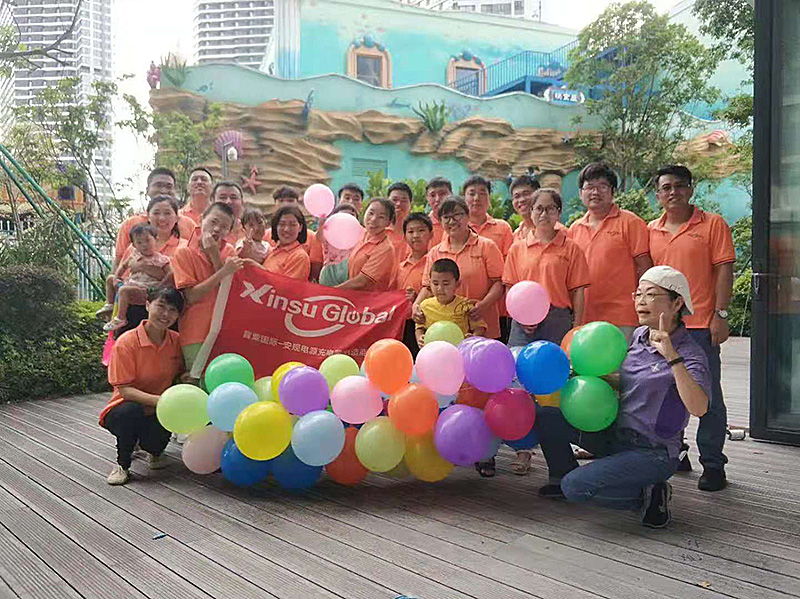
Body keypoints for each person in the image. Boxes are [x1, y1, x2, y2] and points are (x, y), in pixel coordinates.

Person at [534, 266, 710, 528]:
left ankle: (650, 492)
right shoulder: (639, 336)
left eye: (651, 295)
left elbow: (699, 408)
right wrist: (584, 376)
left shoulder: (690, 354)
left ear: (677, 303)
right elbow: (629, 381)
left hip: (652, 452)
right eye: (638, 294)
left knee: (576, 488)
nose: (641, 301)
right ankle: (564, 475)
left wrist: (672, 357)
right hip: (615, 435)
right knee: (547, 416)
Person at [648, 165, 735, 491]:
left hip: (700, 327)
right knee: (667, 392)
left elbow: (724, 270)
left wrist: (720, 314)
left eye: (680, 185)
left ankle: (713, 464)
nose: (673, 192)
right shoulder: (650, 230)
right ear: (658, 194)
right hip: (665, 328)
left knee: (707, 396)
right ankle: (678, 451)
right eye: (666, 187)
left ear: (691, 189)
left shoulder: (712, 224)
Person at [100, 287, 187, 486]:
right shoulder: (127, 342)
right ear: (147, 305)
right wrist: (162, 401)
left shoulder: (177, 341)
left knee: (155, 445)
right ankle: (122, 464)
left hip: (159, 411)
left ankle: (153, 450)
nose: (165, 314)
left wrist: (186, 378)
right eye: (161, 306)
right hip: (125, 407)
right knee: (130, 412)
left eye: (172, 310)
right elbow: (125, 390)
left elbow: (179, 373)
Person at [569, 163, 652, 342]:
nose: (595, 192)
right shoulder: (575, 229)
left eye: (602, 186)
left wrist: (645, 307)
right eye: (589, 187)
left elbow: (645, 268)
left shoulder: (631, 222)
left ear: (613, 191)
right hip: (585, 318)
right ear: (581, 193)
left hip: (623, 317)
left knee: (624, 360)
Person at [503, 188, 590, 347]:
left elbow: (578, 291)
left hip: (557, 319)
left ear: (559, 213)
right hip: (523, 322)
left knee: (556, 361)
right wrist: (520, 317)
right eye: (539, 209)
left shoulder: (571, 248)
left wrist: (577, 327)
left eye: (550, 209)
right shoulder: (517, 249)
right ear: (531, 212)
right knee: (518, 360)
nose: (544, 214)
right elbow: (510, 288)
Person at [414, 198, 504, 341]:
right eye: (446, 217)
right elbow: (427, 286)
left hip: (481, 325)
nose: (452, 221)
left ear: (468, 216)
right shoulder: (435, 252)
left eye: (457, 215)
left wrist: (483, 306)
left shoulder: (487, 246)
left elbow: (499, 283)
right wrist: (416, 305)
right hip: (445, 332)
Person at [171, 202, 244, 370]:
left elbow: (229, 290)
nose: (217, 229)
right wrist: (223, 271)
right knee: (198, 378)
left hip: (225, 330)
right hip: (195, 331)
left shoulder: (229, 251)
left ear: (229, 231)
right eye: (213, 222)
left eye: (224, 227)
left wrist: (214, 255)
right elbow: (191, 296)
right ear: (202, 219)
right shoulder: (184, 252)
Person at [98, 195, 187, 327]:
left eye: (167, 213)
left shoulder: (185, 247)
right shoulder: (133, 248)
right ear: (148, 217)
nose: (162, 218)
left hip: (165, 311)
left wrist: (142, 267)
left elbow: (177, 279)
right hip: (132, 308)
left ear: (176, 217)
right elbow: (124, 271)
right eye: (156, 213)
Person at [113, 168, 194, 269]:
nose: (163, 190)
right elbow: (119, 261)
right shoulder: (130, 224)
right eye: (158, 185)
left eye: (169, 186)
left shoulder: (188, 225)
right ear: (147, 190)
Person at [102, 224, 172, 332]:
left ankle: (121, 318)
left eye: (147, 240)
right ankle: (109, 304)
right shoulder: (134, 256)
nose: (144, 245)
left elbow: (170, 273)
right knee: (110, 279)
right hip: (132, 283)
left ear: (156, 240)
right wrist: (116, 277)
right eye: (139, 242)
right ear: (134, 245)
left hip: (146, 288)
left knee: (124, 290)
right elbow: (123, 266)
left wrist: (160, 286)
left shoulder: (161, 259)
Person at [415, 258, 487, 347]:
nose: (440, 288)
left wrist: (473, 337)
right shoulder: (425, 305)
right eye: (435, 284)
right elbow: (419, 327)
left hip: (459, 350)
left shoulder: (465, 305)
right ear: (430, 283)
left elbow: (480, 327)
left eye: (446, 284)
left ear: (457, 284)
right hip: (434, 351)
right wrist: (420, 338)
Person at [395, 212, 434, 356]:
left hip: (426, 323)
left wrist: (417, 298)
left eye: (421, 230)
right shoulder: (400, 267)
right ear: (405, 236)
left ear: (431, 234)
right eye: (410, 232)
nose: (415, 236)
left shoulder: (434, 262)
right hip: (403, 325)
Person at [337, 198, 397, 290]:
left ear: (388, 222)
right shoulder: (360, 234)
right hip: (348, 295)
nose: (373, 219)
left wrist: (331, 291)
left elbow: (362, 282)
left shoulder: (385, 249)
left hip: (369, 298)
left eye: (381, 217)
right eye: (371, 213)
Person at [272, 186, 324, 279]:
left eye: (290, 200)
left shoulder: (302, 253)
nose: (286, 229)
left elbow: (315, 271)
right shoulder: (268, 243)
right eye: (281, 201)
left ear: (300, 227)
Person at [261, 205, 312, 280]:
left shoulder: (300, 256)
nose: (286, 229)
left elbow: (287, 285)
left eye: (292, 225)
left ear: (300, 228)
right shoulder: (271, 251)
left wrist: (259, 269)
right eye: (282, 224)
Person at [318, 203, 361, 287]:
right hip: (329, 276)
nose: (347, 219)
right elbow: (319, 238)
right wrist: (321, 226)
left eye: (351, 216)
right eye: (343, 216)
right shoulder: (329, 236)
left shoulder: (362, 238)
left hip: (349, 280)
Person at [212, 181, 246, 245]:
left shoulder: (252, 231)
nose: (228, 202)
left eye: (233, 198)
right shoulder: (204, 231)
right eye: (222, 197)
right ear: (213, 202)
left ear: (242, 202)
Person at [386, 181, 414, 262]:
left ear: (410, 204)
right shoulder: (379, 229)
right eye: (394, 200)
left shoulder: (416, 231)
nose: (398, 204)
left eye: (404, 200)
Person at [510, 174, 541, 242]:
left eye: (526, 194)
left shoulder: (553, 230)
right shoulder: (516, 235)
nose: (522, 200)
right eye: (517, 196)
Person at [425, 176, 452, 247]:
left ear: (451, 194)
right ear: (427, 198)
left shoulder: (462, 222)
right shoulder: (424, 225)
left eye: (442, 194)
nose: (437, 199)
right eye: (432, 195)